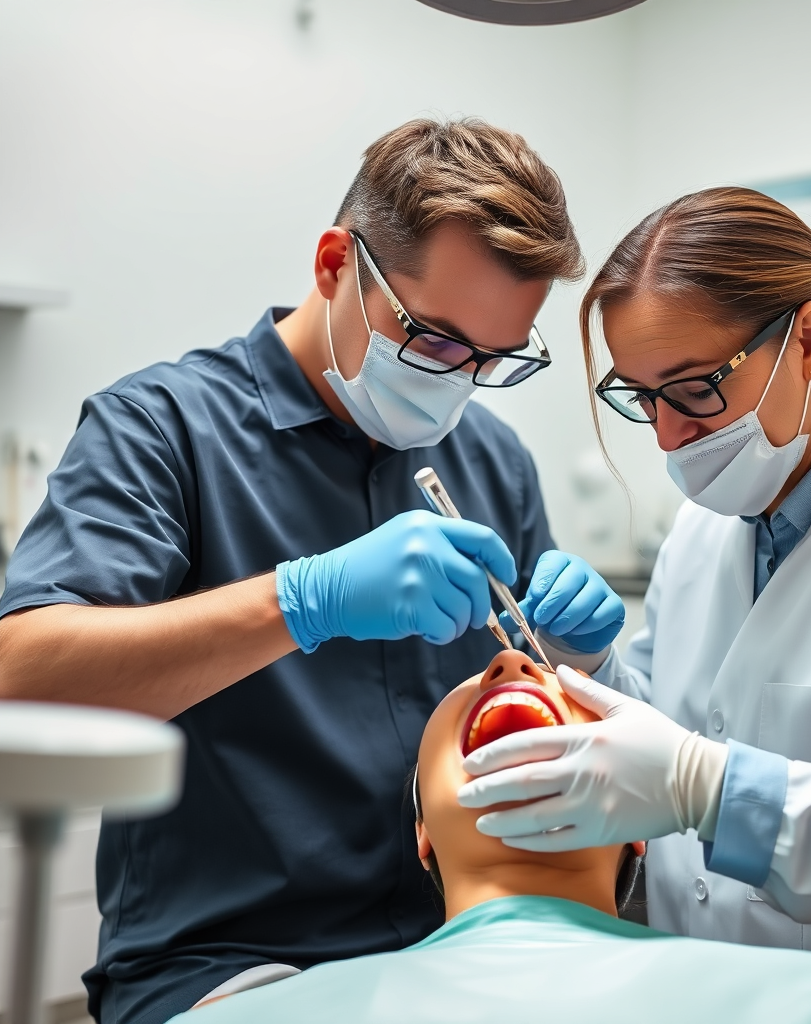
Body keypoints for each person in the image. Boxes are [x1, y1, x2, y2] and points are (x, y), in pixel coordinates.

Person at [0, 118, 625, 1024]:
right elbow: (24, 681)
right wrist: (301, 601)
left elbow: (528, 726)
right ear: (337, 264)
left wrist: (575, 667)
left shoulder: (489, 460)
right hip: (228, 965)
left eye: (495, 359)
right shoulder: (161, 430)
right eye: (437, 341)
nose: (459, 382)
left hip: (463, 949)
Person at [458, 188, 811, 1022]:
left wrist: (713, 791)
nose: (666, 437)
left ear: (809, 340)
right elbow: (684, 736)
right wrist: (594, 668)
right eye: (640, 396)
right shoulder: (704, 528)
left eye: (693, 388)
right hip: (705, 993)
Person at [173, 649, 811, 1024]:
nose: (512, 665)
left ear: (639, 824)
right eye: (479, 676)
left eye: (553, 677)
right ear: (423, 830)